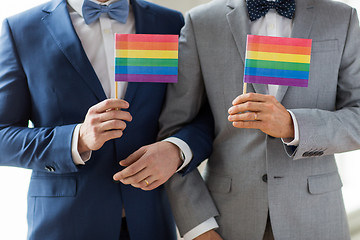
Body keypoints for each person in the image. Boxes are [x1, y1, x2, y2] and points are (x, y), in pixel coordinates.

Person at [114, 0, 360, 239]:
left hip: (318, 220)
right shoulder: (201, 22)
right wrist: (198, 228)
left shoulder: (342, 17)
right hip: (226, 222)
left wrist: (291, 124)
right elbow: (174, 130)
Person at [0, 0, 213, 239]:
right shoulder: (20, 29)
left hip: (151, 221)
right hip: (65, 225)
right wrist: (75, 139)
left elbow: (204, 116)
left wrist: (176, 150)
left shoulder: (169, 23)